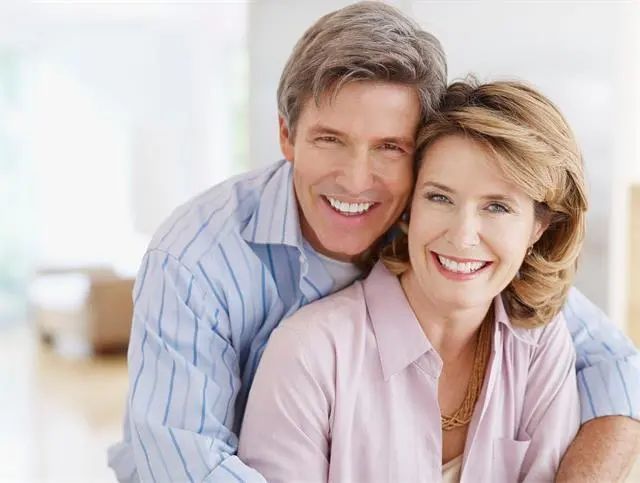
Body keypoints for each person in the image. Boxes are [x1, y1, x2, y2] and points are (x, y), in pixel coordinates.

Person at [107, 2, 640, 482]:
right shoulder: (197, 261)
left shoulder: (447, 237)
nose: (357, 180)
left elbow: (614, 364)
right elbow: (185, 464)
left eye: (389, 147)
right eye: (330, 139)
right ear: (286, 135)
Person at [237, 79, 584, 482]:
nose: (463, 236)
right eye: (440, 198)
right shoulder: (309, 353)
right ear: (408, 208)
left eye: (497, 207)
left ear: (539, 227)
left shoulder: (539, 343)